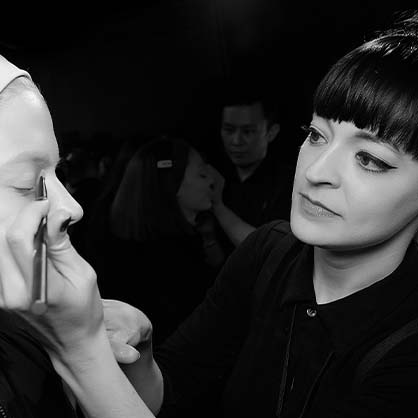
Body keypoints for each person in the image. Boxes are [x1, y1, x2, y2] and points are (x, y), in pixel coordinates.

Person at [103, 9, 418, 418]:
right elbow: (172, 388)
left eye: (369, 160)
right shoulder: (266, 253)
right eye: (316, 135)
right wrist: (139, 358)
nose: (316, 171)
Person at [0, 55, 158, 417]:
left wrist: (135, 354)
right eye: (28, 183)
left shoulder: (30, 315)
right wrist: (82, 351)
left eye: (58, 171)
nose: (73, 207)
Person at [87, 135, 224, 344]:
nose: (213, 181)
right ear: (173, 184)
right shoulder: (173, 260)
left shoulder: (147, 245)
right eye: (202, 174)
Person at [208, 86, 295, 251]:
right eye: (229, 130)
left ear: (271, 132)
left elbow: (272, 251)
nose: (236, 141)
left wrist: (218, 207)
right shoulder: (213, 174)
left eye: (248, 131)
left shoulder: (289, 183)